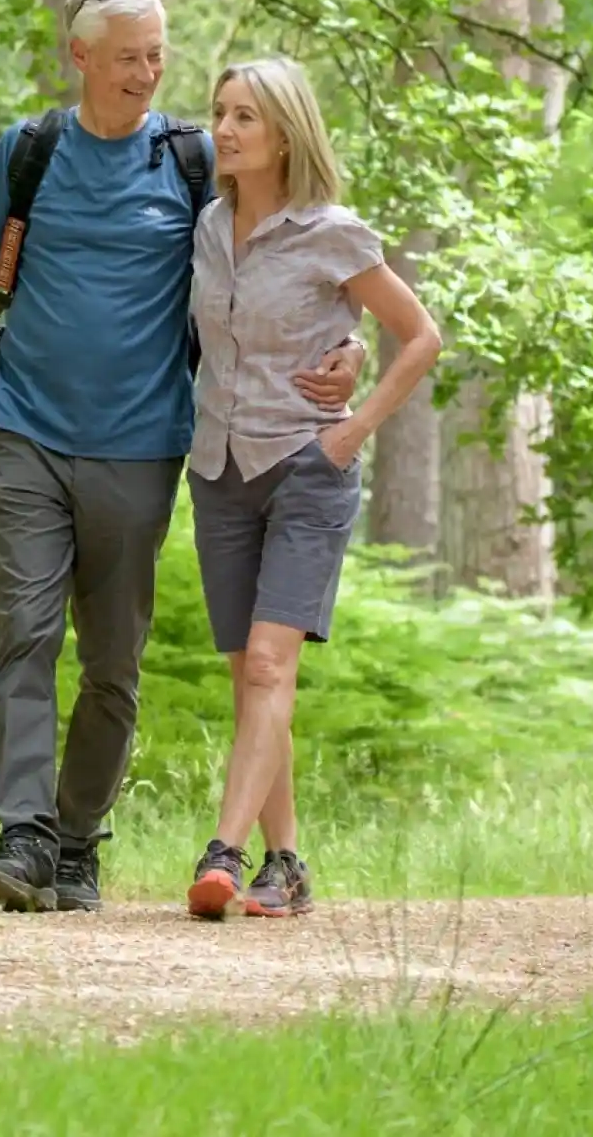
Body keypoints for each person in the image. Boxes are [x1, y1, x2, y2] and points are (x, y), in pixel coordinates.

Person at [0, 0, 366, 914]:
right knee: (25, 634)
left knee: (113, 660)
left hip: (144, 445)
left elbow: (282, 260)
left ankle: (77, 846)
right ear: (81, 57)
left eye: (159, 53)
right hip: (25, 432)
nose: (148, 71)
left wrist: (350, 345)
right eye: (129, 55)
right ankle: (25, 834)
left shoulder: (193, 161)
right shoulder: (29, 152)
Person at [183, 58, 442, 920]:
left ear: (287, 133)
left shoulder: (332, 232)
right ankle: (286, 863)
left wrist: (354, 426)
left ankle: (223, 851)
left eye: (245, 116)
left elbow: (420, 336)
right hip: (219, 468)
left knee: (267, 665)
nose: (224, 129)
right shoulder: (207, 226)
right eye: (220, 112)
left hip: (304, 468)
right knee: (251, 677)